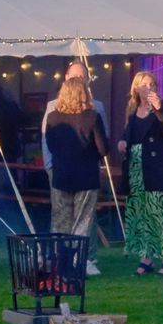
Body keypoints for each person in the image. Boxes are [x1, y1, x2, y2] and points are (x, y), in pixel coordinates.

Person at [44, 76, 110, 277]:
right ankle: (78, 262)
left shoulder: (53, 117)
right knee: (82, 222)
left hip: (62, 175)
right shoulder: (92, 116)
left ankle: (59, 263)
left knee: (60, 222)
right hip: (86, 176)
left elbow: (51, 145)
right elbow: (103, 148)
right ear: (84, 94)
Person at [117, 71, 163, 276]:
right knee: (140, 214)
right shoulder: (131, 109)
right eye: (144, 84)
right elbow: (128, 133)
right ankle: (146, 256)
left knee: (159, 213)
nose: (149, 87)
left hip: (157, 166)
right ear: (136, 88)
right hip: (136, 166)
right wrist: (123, 141)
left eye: (152, 84)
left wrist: (159, 109)